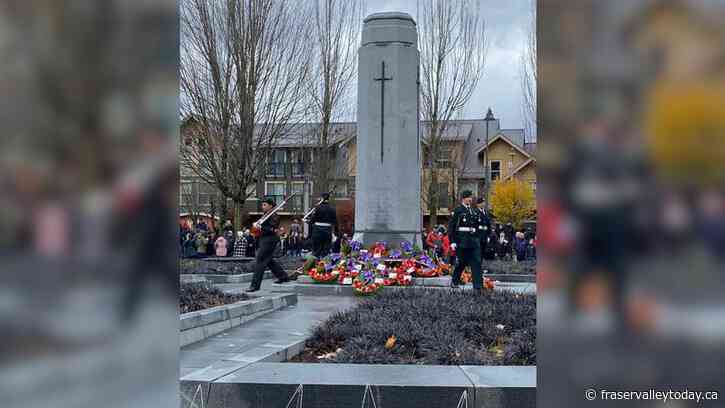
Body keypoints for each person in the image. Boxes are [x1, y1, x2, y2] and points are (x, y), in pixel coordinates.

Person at [246, 198, 291, 292]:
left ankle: (255, 285)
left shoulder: (275, 216)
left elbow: (272, 229)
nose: (262, 207)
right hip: (264, 239)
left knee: (260, 260)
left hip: (270, 240)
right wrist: (256, 226)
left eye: (265, 205)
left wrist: (261, 227)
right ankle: (283, 276)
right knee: (269, 260)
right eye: (262, 205)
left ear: (271, 205)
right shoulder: (265, 215)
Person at [448, 190, 484, 291]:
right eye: (468, 197)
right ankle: (455, 281)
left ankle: (478, 286)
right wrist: (453, 242)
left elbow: (477, 226)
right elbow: (452, 227)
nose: (470, 199)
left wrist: (478, 237)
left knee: (476, 262)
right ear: (463, 198)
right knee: (462, 263)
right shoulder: (458, 211)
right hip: (462, 241)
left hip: (473, 242)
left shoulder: (473, 210)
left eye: (471, 197)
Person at [307, 192, 338, 258]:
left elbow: (311, 221)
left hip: (317, 231)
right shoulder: (332, 209)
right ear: (328, 199)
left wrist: (310, 235)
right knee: (326, 252)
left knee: (316, 252)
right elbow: (335, 222)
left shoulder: (317, 208)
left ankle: (315, 267)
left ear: (322, 198)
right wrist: (336, 233)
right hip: (327, 232)